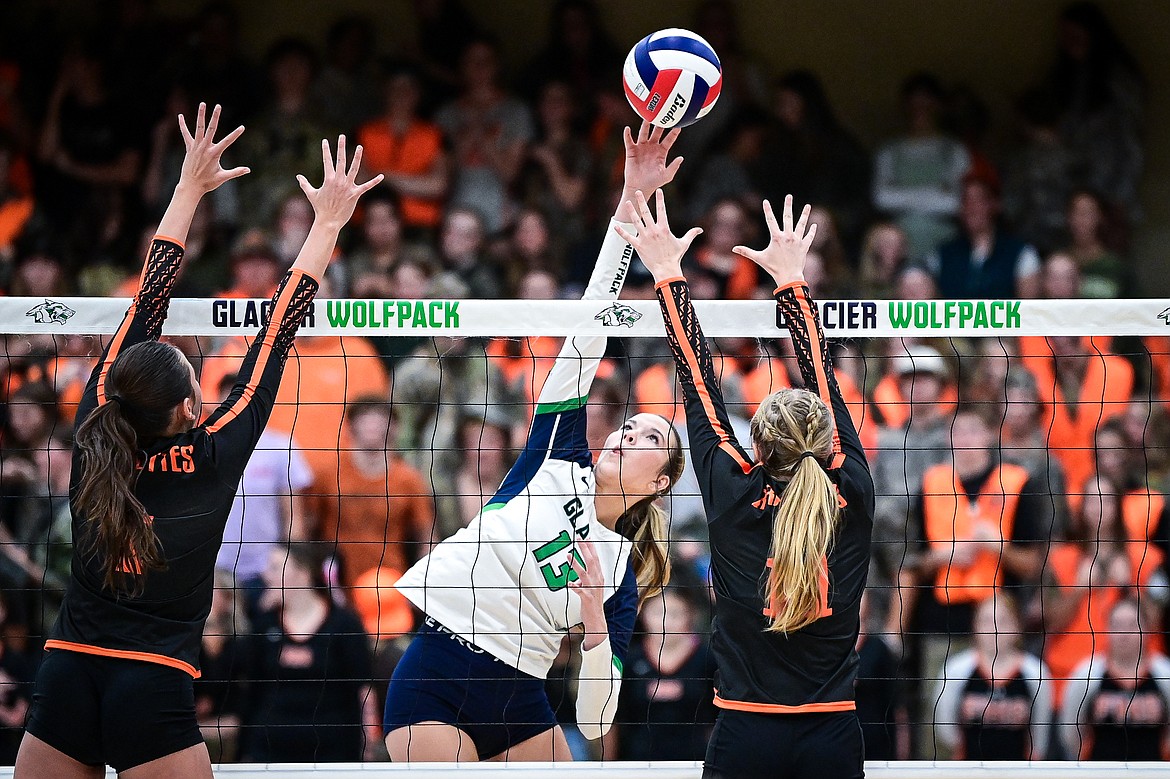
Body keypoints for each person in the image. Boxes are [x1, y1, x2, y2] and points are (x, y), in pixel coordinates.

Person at [14, 104, 382, 778]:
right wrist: (329, 221)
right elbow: (280, 325)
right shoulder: (215, 450)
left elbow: (148, 295)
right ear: (190, 404)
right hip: (151, 687)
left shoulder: (98, 420)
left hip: (66, 672)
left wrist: (186, 188)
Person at [384, 122, 686, 762]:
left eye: (650, 435)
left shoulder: (620, 573)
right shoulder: (556, 457)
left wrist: (595, 618)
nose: (629, 430)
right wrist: (629, 202)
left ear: (660, 483)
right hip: (440, 670)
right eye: (630, 423)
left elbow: (596, 715)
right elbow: (587, 333)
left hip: (522, 696)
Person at [619, 191, 874, 779]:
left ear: (754, 447)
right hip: (833, 729)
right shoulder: (852, 488)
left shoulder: (734, 495)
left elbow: (697, 374)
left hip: (745, 732)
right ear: (825, 437)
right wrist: (793, 279)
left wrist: (665, 273)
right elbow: (820, 370)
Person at [243, 544, 378, 762]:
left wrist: (367, 745)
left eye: (276, 567)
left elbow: (363, 690)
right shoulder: (263, 624)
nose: (266, 575)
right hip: (271, 750)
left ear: (303, 572)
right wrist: (245, 751)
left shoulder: (344, 624)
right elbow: (252, 693)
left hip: (331, 751)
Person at [932, 596, 1053, 760]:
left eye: (1003, 621)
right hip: (969, 768)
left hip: (1019, 769)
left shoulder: (1035, 672)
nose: (995, 628)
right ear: (975, 627)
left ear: (1016, 627)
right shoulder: (956, 670)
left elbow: (1041, 731)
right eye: (987, 621)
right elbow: (944, 726)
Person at [1061, 598, 1170, 761]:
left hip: (1153, 770)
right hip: (1099, 770)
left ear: (1148, 629)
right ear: (1107, 629)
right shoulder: (1087, 673)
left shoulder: (1164, 672)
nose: (1124, 634)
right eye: (1117, 626)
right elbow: (1070, 731)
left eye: (1132, 625)